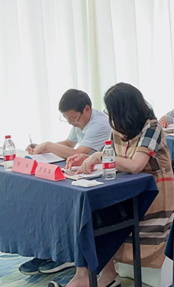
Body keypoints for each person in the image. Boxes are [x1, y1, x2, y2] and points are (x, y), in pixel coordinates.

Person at [48, 83, 174, 287]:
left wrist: (100, 156)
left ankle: (96, 276)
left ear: (126, 109)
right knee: (89, 212)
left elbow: (136, 165)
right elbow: (111, 159)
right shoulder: (118, 129)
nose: (110, 116)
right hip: (127, 191)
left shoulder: (152, 127)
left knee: (104, 216)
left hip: (154, 194)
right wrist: (86, 159)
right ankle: (87, 275)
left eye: (113, 111)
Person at [20, 89, 111, 276]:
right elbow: (69, 144)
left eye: (73, 118)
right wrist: (41, 148)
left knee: (61, 202)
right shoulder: (80, 121)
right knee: (44, 199)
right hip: (80, 172)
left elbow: (79, 153)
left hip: (99, 179)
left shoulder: (99, 123)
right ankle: (47, 251)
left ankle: (66, 254)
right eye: (67, 119)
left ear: (87, 109)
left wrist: (48, 145)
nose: (71, 122)